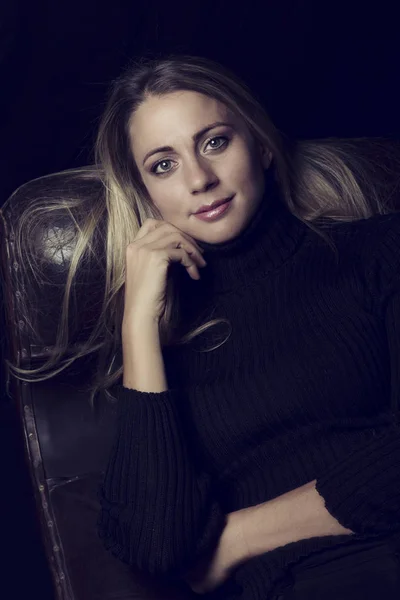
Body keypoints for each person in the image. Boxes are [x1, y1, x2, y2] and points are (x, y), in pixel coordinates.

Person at [10, 55, 400, 599]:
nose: (199, 179)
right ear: (144, 192)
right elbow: (153, 546)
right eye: (162, 165)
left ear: (261, 145)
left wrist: (237, 539)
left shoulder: (381, 252)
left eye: (215, 141)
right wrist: (139, 327)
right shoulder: (162, 349)